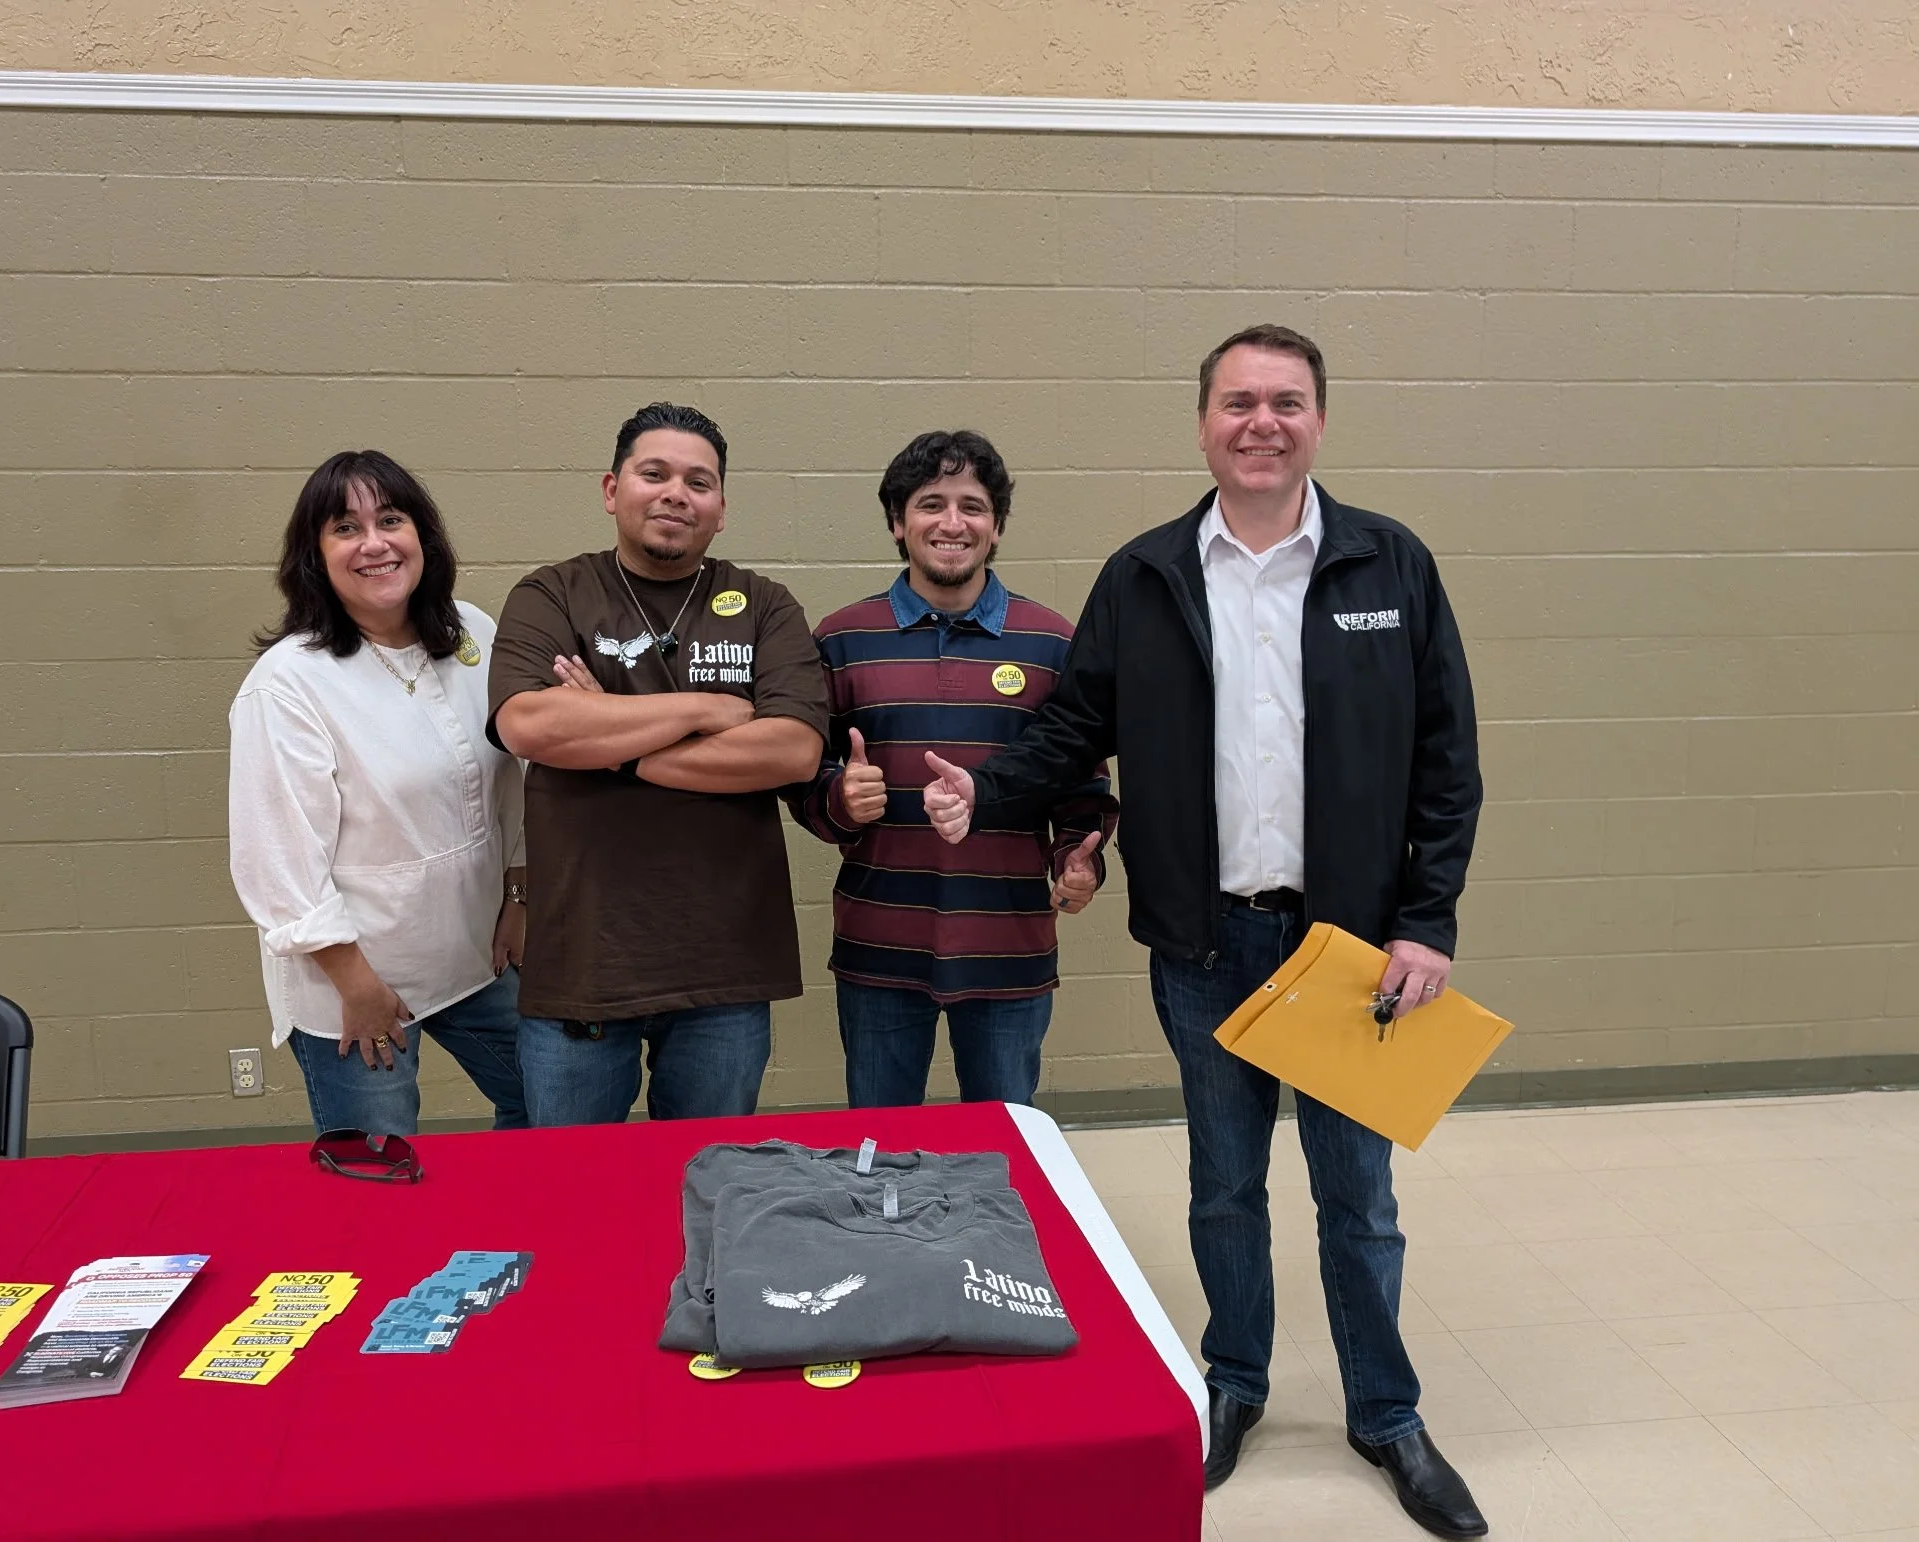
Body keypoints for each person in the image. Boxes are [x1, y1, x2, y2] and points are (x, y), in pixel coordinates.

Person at [918, 327, 1488, 1538]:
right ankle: (1232, 1385)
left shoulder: (1388, 563)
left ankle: (1384, 1413)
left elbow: (1446, 761)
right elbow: (1071, 728)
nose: (1260, 423)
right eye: (1237, 402)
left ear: (1317, 421)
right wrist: (990, 792)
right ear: (1200, 424)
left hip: (1348, 953)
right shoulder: (1145, 575)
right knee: (1223, 1188)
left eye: (1285, 401)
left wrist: (1424, 921)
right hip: (1205, 943)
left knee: (1357, 1199)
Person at [488, 402, 828, 1126]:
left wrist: (609, 746)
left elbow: (794, 751)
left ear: (721, 509)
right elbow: (529, 725)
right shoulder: (552, 594)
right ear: (612, 490)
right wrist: (708, 708)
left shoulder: (765, 605)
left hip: (726, 971)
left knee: (708, 1179)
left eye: (698, 482)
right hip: (582, 964)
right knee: (576, 1184)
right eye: (655, 474)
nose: (676, 493)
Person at [788, 429, 1117, 1108]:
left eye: (972, 506)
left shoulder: (1053, 643)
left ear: (996, 527)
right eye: (930, 504)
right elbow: (802, 776)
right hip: (879, 944)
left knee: (1005, 1143)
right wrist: (839, 799)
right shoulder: (842, 640)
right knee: (880, 1146)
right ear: (897, 522)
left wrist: (1076, 860)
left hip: (1010, 948)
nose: (952, 522)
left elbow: (1082, 786)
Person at [229, 450, 529, 1138]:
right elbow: (279, 860)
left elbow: (512, 780)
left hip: (474, 950)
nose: (374, 543)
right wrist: (355, 985)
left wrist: (518, 896)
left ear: (422, 535)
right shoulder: (287, 685)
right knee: (379, 1161)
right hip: (356, 977)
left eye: (390, 520)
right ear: (314, 556)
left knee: (550, 1101)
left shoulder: (472, 633)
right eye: (345, 528)